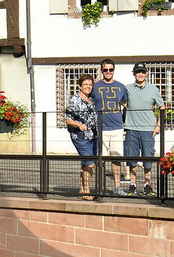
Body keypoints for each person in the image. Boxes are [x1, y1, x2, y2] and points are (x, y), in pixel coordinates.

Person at [123, 64, 166, 195]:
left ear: (146, 74)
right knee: (132, 159)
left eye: (142, 72)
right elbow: (121, 102)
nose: (140, 74)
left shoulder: (153, 89)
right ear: (134, 74)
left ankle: (148, 185)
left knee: (148, 159)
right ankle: (132, 184)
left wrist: (158, 125)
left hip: (148, 129)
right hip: (131, 128)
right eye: (137, 72)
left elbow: (162, 107)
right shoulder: (127, 88)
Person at [92, 59, 131, 193]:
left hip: (117, 127)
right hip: (100, 128)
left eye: (111, 70)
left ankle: (117, 187)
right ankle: (101, 188)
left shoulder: (121, 87)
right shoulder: (95, 86)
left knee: (116, 159)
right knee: (100, 160)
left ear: (114, 70)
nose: (108, 72)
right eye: (105, 70)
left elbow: (126, 104)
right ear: (101, 70)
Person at [64, 75, 98, 201]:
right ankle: (87, 192)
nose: (88, 87)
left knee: (85, 163)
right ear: (80, 86)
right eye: (85, 85)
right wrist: (79, 125)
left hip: (93, 135)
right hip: (80, 136)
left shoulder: (91, 99)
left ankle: (82, 189)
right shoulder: (75, 99)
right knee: (90, 163)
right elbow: (68, 119)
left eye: (90, 85)